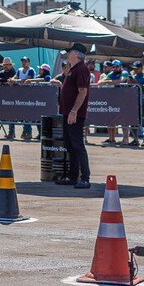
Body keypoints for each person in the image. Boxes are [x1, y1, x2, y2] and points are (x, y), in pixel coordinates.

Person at [57, 42, 92, 189]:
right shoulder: (74, 69)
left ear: (76, 54)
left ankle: (85, 178)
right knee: (70, 145)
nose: (67, 54)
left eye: (70, 52)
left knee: (77, 145)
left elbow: (82, 91)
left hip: (74, 114)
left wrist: (74, 111)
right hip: (68, 113)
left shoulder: (81, 68)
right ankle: (72, 176)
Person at [128, 61, 144, 148]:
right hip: (134, 103)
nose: (135, 70)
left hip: (143, 103)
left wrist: (136, 82)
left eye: (137, 69)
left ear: (141, 68)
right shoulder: (133, 77)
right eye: (134, 69)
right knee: (133, 122)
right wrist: (128, 82)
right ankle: (135, 139)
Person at [14, 56, 37, 139]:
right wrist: (11, 80)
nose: (23, 63)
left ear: (29, 63)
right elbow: (15, 77)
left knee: (28, 114)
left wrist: (15, 81)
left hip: (30, 95)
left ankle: (28, 132)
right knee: (24, 114)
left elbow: (26, 80)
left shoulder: (31, 70)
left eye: (25, 61)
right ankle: (26, 132)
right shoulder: (19, 70)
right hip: (22, 95)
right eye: (23, 61)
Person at [0, 57, 19, 139]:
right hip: (4, 96)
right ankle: (10, 132)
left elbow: (8, 80)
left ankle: (12, 132)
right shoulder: (1, 72)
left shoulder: (13, 72)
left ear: (10, 65)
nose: (5, 66)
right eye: (4, 65)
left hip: (13, 96)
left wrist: (0, 80)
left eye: (7, 65)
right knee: (8, 114)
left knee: (12, 115)